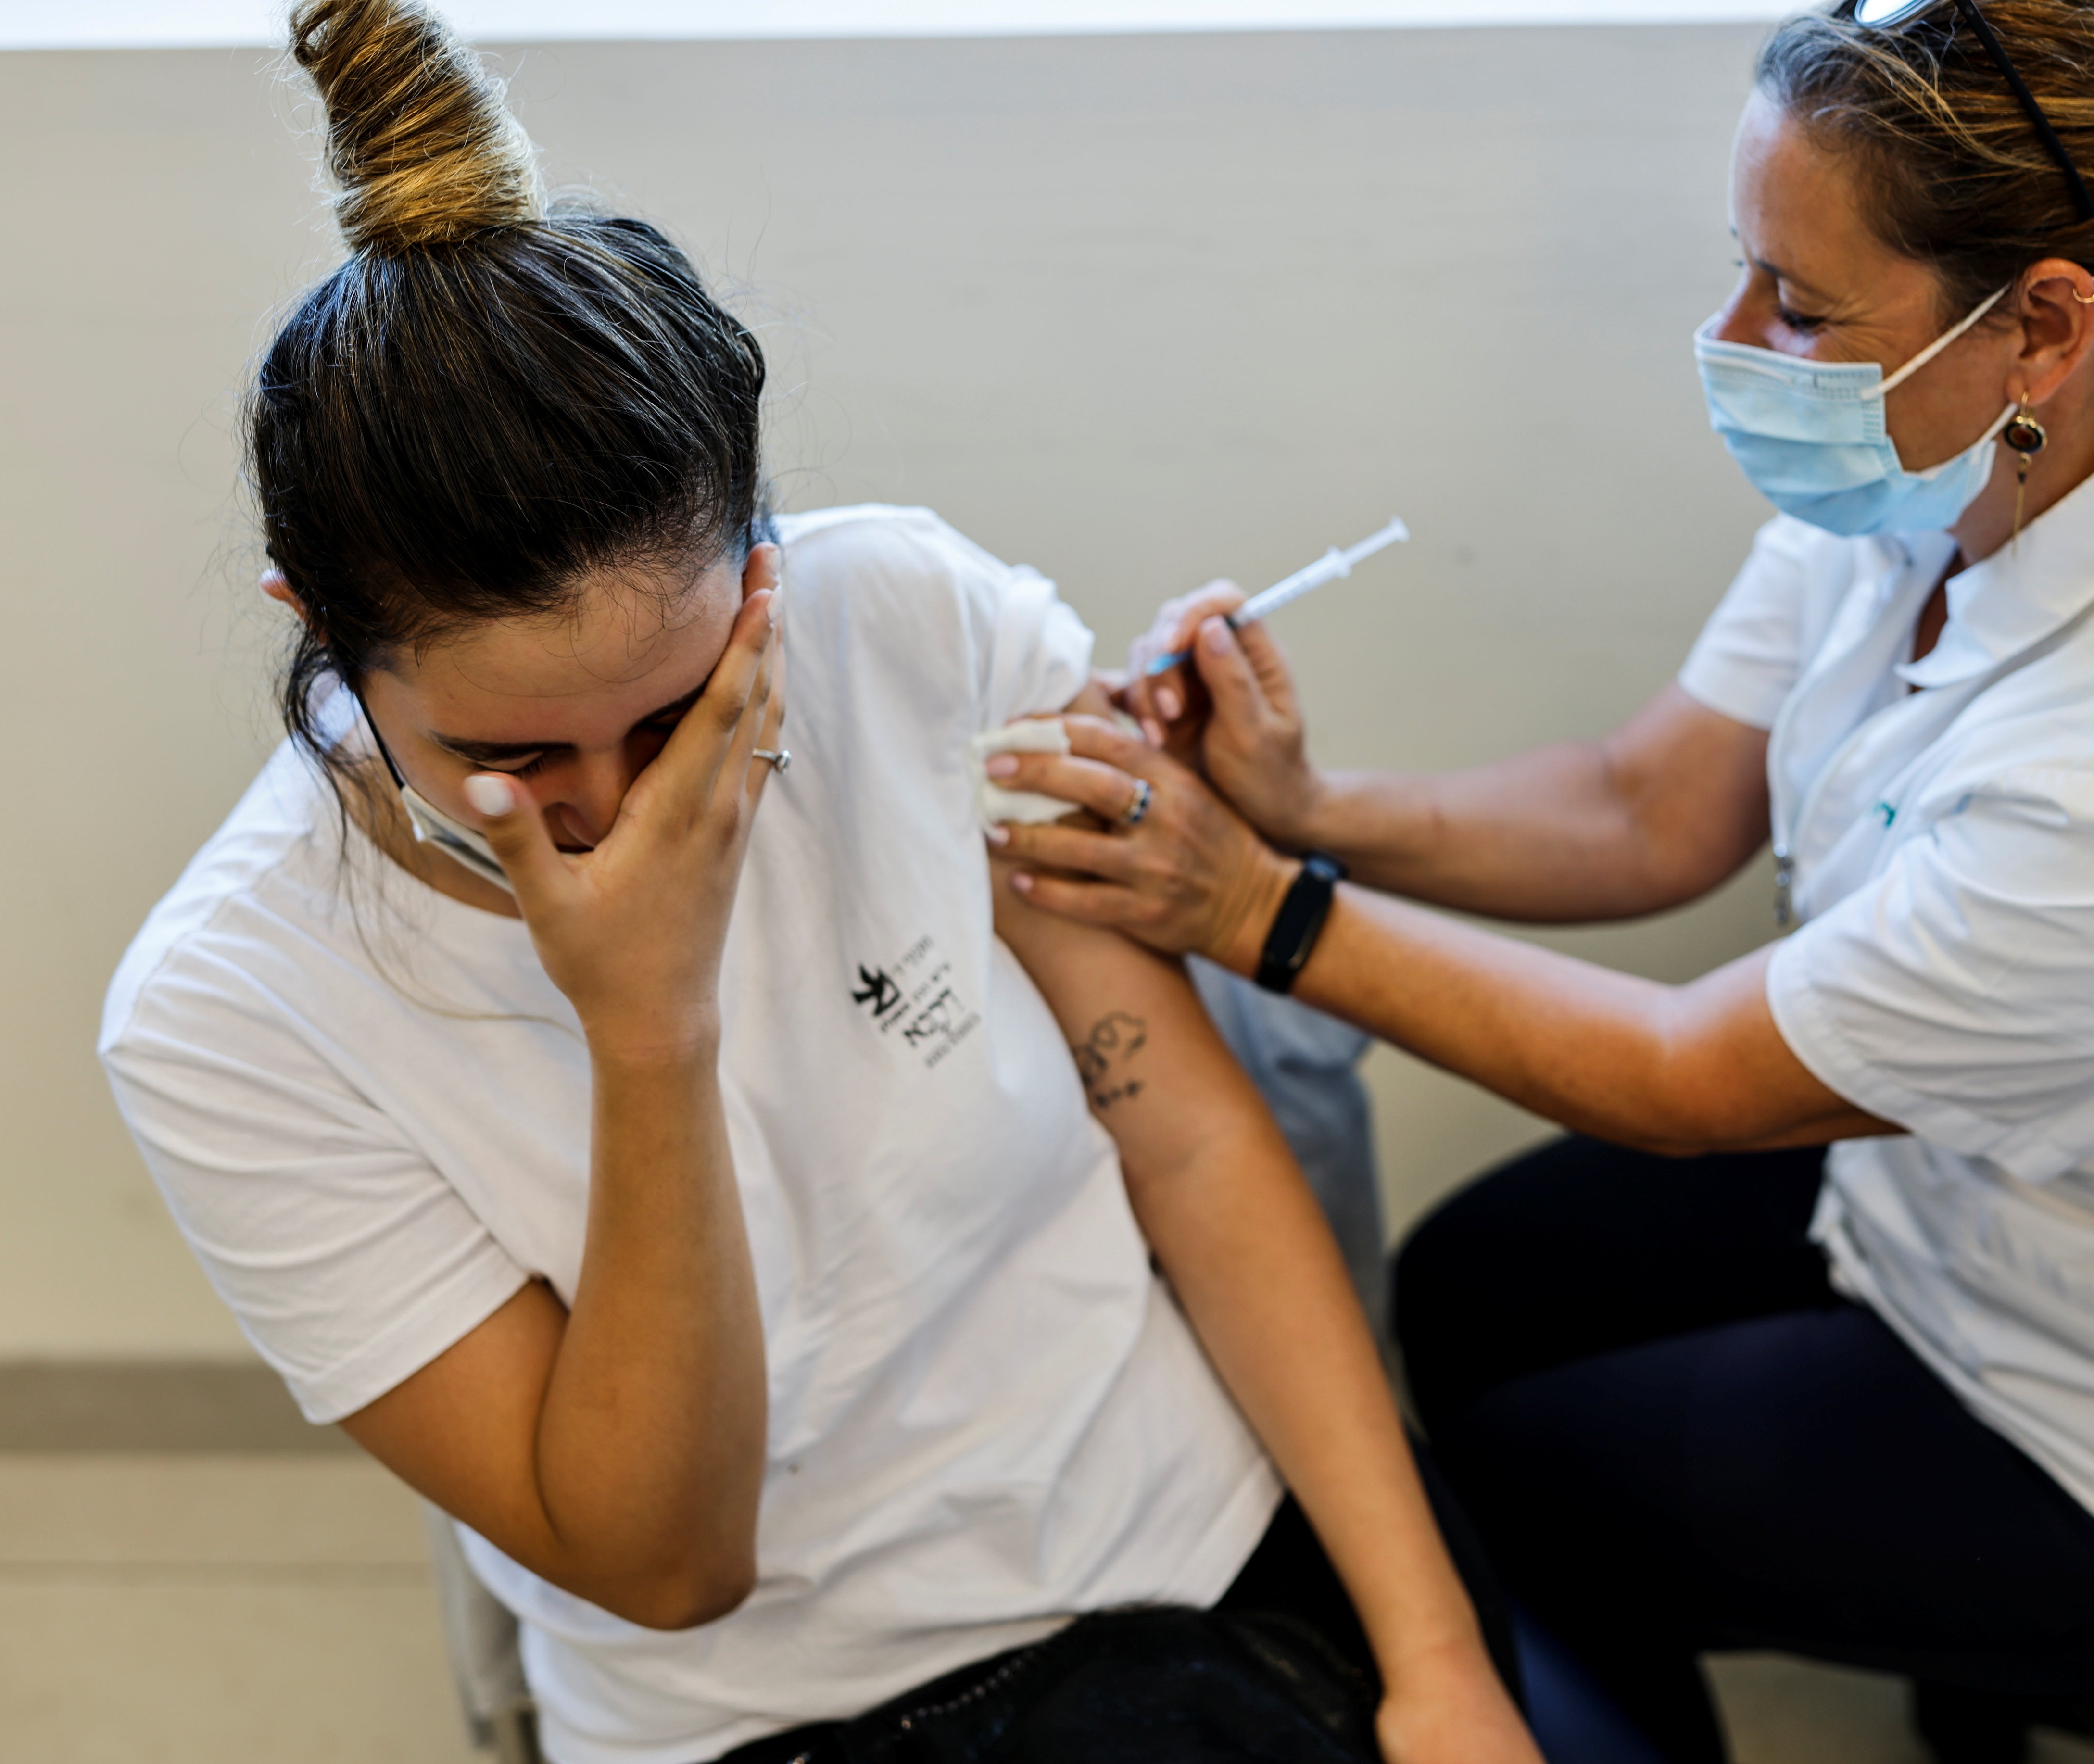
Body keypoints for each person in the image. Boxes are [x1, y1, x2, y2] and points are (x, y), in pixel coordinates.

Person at [981, 0, 2094, 1758]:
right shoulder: (1960, 461)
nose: (1735, 339)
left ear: (2039, 321)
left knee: (1521, 1485)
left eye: (1799, 307)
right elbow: (1650, 803)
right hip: (1979, 1208)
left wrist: (1248, 908)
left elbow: (1689, 1084)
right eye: (1747, 273)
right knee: (1465, 1287)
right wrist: (1308, 809)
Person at [95, 5, 1540, 1763]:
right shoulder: (228, 1014)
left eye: (687, 708)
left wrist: (1436, 1654)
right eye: (521, 756)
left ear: (763, 567)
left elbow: (1183, 1138)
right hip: (772, 1711)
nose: (619, 812)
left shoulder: (906, 624)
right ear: (319, 634)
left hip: (1190, 1542)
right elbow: (671, 1562)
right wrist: (650, 1030)